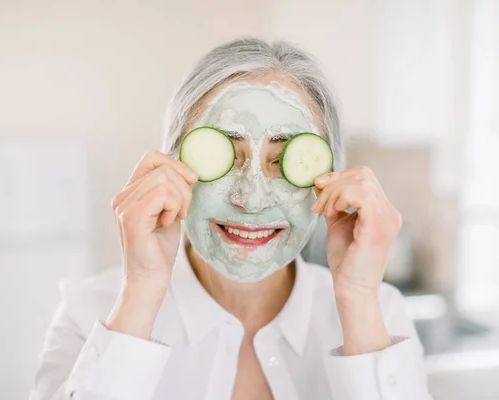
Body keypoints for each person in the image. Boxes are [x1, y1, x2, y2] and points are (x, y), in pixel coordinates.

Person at [30, 38, 432, 400]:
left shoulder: (382, 314)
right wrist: (142, 289)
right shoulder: (88, 313)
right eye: (225, 156)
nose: (251, 200)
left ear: (328, 178)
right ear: (170, 168)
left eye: (284, 161)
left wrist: (359, 295)